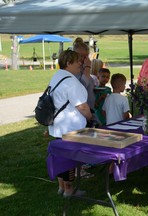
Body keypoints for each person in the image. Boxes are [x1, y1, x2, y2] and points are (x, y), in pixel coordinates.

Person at [48, 50, 92, 197]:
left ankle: (61, 187)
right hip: (70, 128)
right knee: (69, 159)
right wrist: (90, 117)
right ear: (68, 63)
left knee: (60, 157)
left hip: (58, 125)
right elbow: (82, 106)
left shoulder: (57, 76)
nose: (81, 63)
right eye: (78, 61)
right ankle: (69, 189)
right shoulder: (71, 81)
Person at [73, 38, 96, 127]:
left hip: (89, 111)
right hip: (80, 114)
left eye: (85, 56)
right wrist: (87, 67)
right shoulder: (75, 71)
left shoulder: (84, 70)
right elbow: (81, 86)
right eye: (81, 56)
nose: (83, 59)